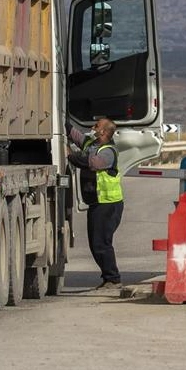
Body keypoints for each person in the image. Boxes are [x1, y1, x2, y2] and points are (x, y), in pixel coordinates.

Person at [68, 117, 123, 288]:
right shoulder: (91, 144)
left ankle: (113, 278)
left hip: (108, 204)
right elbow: (74, 135)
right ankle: (109, 277)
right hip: (96, 202)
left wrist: (69, 155)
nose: (93, 127)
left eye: (96, 126)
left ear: (104, 132)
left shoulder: (108, 151)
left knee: (101, 243)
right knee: (95, 242)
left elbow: (92, 163)